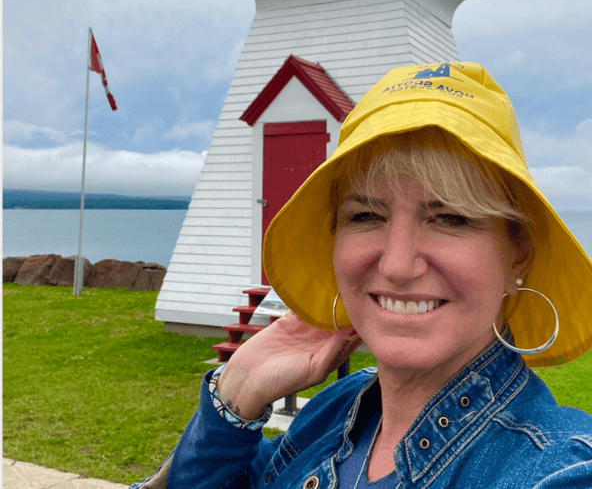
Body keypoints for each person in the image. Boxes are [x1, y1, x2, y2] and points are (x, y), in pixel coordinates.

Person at [132, 61, 592, 489]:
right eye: (366, 215)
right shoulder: (337, 409)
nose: (396, 265)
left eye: (450, 217)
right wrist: (238, 392)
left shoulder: (553, 469)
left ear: (518, 256)